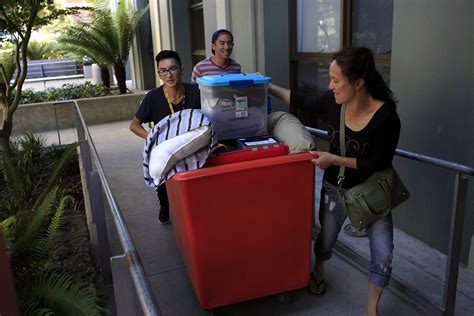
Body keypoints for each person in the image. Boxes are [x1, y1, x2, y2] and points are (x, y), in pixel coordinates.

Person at [268, 47, 400, 316]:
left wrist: (334, 159)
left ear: (359, 83)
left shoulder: (387, 117)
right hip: (335, 189)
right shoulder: (332, 101)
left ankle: (371, 310)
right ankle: (319, 268)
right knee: (326, 241)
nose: (330, 86)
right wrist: (264, 85)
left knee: (383, 254)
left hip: (371, 193)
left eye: (336, 80)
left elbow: (378, 162)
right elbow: (301, 99)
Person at [130, 50, 201, 224]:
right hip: (165, 148)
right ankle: (164, 204)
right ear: (159, 74)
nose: (168, 75)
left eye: (172, 69)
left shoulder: (196, 91)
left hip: (192, 145)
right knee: (159, 172)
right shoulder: (153, 97)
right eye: (163, 70)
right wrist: (152, 138)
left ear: (181, 70)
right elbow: (134, 125)